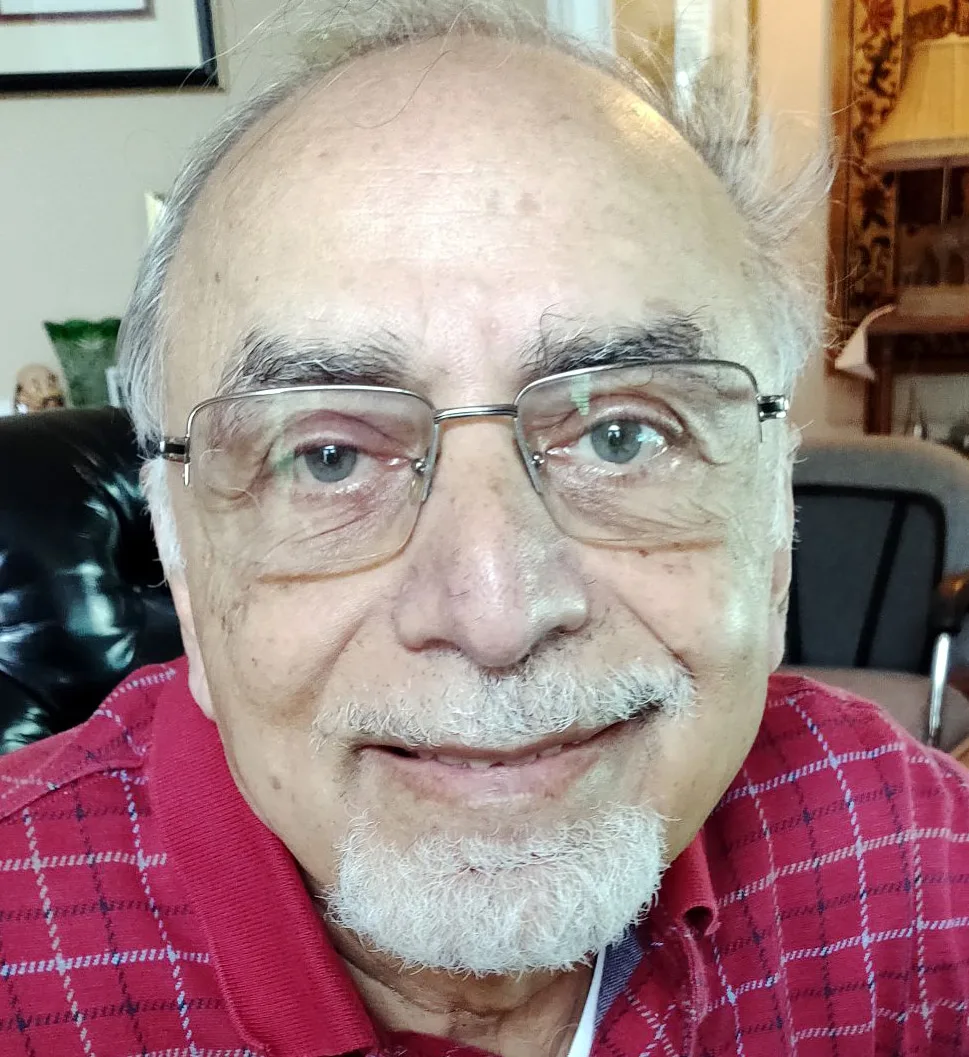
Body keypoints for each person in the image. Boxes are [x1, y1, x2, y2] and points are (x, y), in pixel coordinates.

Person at [2, 3, 968, 1054]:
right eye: (327, 457)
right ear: (187, 572)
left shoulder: (915, 870)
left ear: (773, 535)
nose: (496, 612)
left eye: (622, 435)